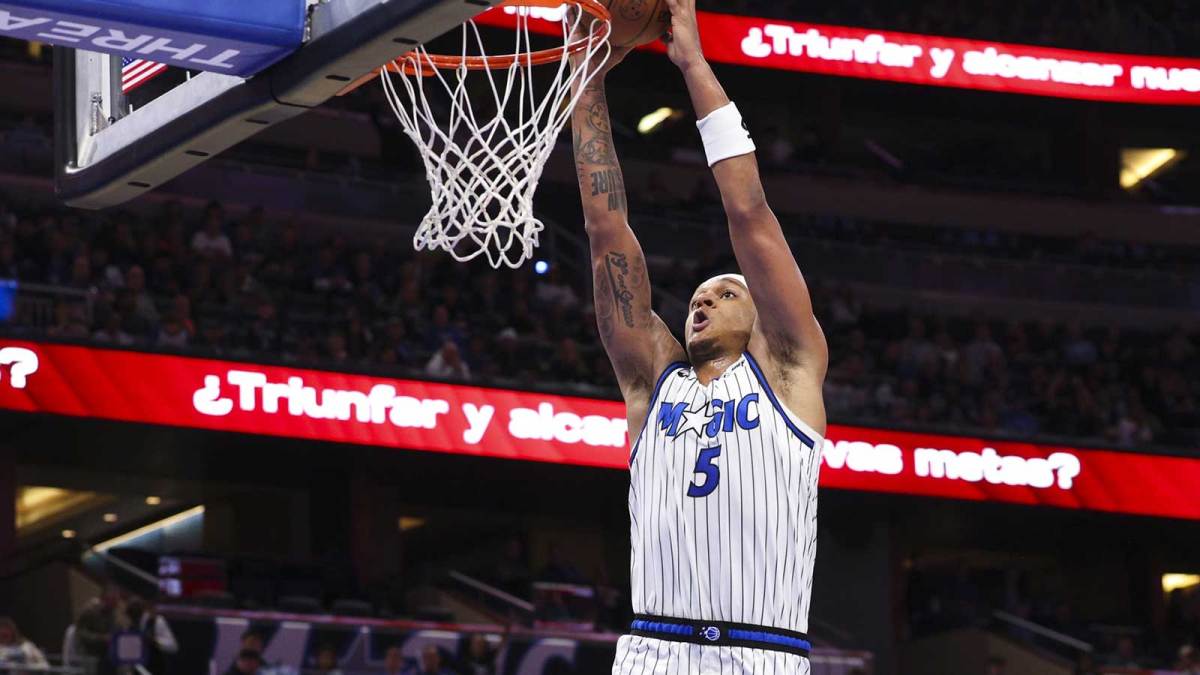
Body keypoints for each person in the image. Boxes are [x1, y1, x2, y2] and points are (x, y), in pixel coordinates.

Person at [571, 0, 828, 671]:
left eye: (725, 292)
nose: (705, 298)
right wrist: (586, 79)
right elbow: (607, 235)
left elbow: (748, 212)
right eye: (698, 296)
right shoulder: (653, 381)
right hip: (652, 649)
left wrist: (692, 62)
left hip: (760, 652)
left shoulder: (789, 371)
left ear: (760, 319)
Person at [127, 599, 179, 675]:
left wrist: (155, 641)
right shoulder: (131, 626)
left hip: (155, 669)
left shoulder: (157, 621)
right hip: (138, 670)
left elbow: (173, 646)